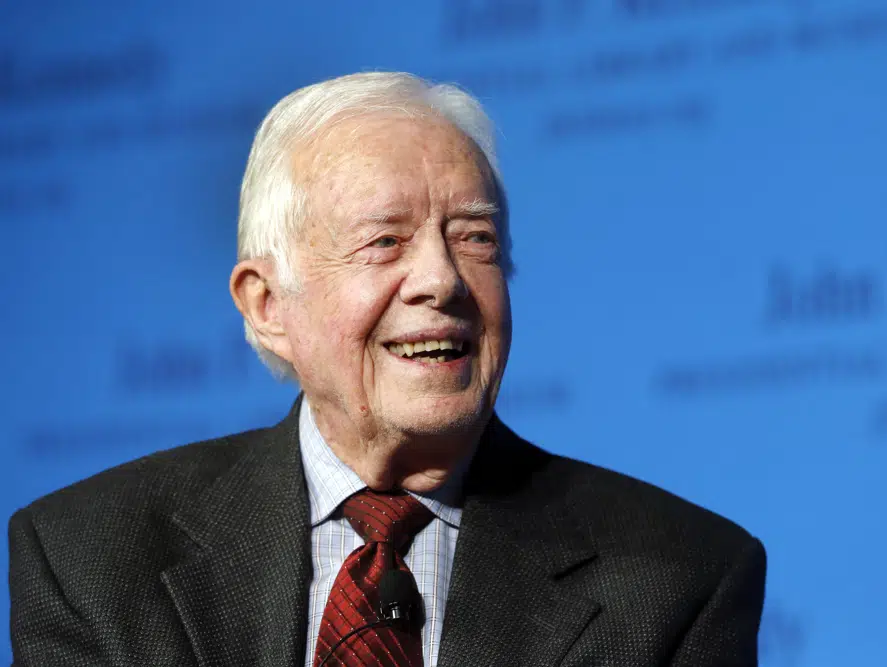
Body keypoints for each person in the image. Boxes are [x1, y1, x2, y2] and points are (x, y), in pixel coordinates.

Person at [8, 72, 766, 666]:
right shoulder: (92, 558)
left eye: (474, 239)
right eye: (385, 242)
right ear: (267, 305)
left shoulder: (677, 578)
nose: (441, 280)